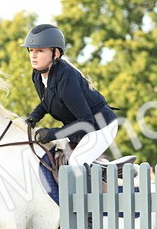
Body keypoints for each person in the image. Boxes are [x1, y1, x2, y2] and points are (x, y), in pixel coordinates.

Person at [22, 24, 119, 167]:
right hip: (79, 129)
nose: (33, 56)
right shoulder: (38, 75)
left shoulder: (66, 77)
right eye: (31, 50)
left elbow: (87, 122)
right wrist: (34, 116)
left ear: (55, 54)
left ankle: (101, 186)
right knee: (56, 157)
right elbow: (47, 101)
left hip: (100, 126)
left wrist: (52, 134)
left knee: (75, 162)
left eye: (40, 51)